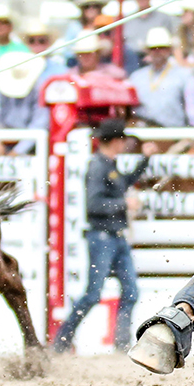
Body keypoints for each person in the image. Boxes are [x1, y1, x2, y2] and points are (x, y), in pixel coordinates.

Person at [50, 118, 150, 354]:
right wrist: (122, 204)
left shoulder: (105, 164)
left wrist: (144, 161)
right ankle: (63, 340)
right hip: (105, 236)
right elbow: (93, 204)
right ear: (115, 141)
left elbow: (121, 184)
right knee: (96, 294)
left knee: (124, 292)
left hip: (111, 237)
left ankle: (112, 343)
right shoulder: (99, 166)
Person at [130, 26, 194, 128]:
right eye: (153, 48)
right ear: (147, 51)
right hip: (142, 132)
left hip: (171, 133)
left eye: (162, 48)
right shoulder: (136, 77)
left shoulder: (185, 75)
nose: (157, 51)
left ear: (170, 50)